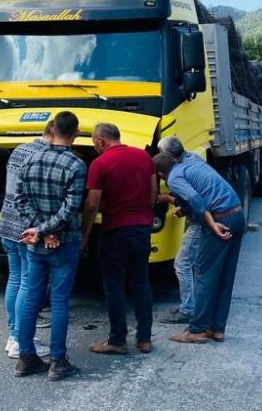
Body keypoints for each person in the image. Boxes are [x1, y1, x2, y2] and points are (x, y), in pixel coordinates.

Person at [13, 111, 86, 380]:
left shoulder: (29, 159)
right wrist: (47, 231)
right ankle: (57, 361)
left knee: (31, 299)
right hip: (64, 244)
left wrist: (39, 232)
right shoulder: (76, 165)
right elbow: (70, 210)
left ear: (52, 128)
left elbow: (19, 200)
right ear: (75, 133)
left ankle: (25, 358)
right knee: (59, 301)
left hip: (35, 246)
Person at [81, 123, 157, 355]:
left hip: (115, 231)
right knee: (141, 283)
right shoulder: (144, 156)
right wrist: (146, 216)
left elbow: (92, 203)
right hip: (142, 229)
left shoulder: (100, 163)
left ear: (102, 140)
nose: (95, 147)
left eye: (95, 142)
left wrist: (84, 235)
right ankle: (144, 339)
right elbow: (153, 191)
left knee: (114, 286)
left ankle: (117, 340)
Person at [153, 152, 245, 343]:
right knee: (225, 276)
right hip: (236, 214)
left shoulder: (174, 178)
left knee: (205, 274)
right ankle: (217, 329)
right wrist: (185, 208)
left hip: (221, 219)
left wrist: (212, 225)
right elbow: (203, 192)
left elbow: (197, 199)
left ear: (161, 175)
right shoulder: (191, 164)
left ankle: (197, 330)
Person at [0, 123, 52, 359]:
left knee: (15, 279)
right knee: (28, 283)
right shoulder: (44, 156)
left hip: (6, 224)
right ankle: (21, 340)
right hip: (27, 228)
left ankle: (13, 336)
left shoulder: (19, 149)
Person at [156, 136, 206, 325]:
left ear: (168, 156)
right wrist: (184, 208)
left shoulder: (177, 173)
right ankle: (191, 304)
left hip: (201, 221)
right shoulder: (193, 158)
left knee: (182, 264)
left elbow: (197, 200)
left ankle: (187, 310)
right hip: (200, 217)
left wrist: (170, 199)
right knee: (193, 263)